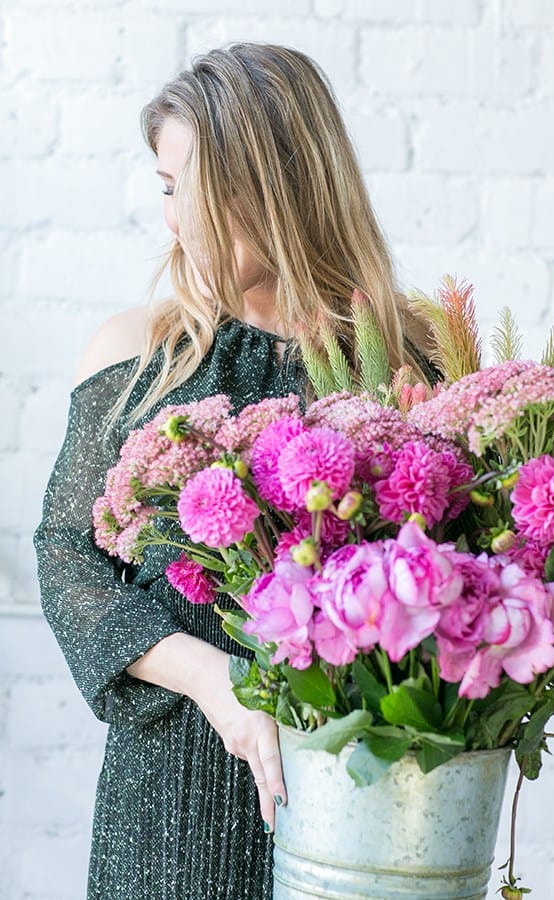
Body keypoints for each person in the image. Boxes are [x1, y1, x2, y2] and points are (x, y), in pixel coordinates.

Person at [33, 42, 438, 900]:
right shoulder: (138, 358)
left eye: (199, 193)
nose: (176, 223)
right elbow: (66, 555)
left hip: (365, 805)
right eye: (167, 189)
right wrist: (213, 678)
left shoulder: (409, 362)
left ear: (282, 189)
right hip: (174, 808)